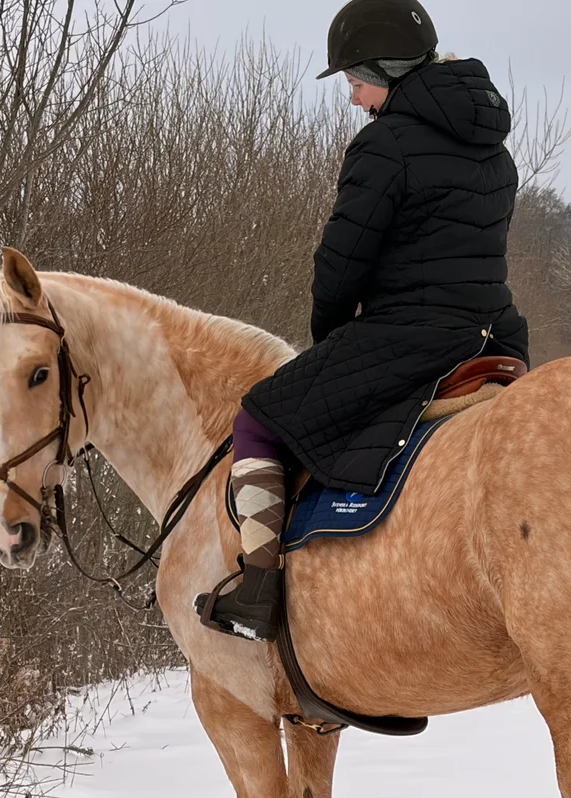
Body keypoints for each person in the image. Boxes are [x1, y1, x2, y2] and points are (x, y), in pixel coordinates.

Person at [196, 0, 529, 642]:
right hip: (495, 336)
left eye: (354, 81)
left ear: (387, 71)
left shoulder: (384, 144)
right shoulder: (495, 151)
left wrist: (332, 340)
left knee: (258, 418)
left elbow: (341, 265)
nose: (352, 99)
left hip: (410, 338)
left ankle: (259, 590)